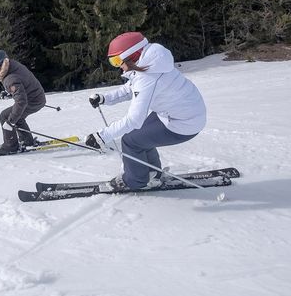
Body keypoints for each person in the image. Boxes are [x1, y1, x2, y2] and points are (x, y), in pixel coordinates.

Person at [85, 32, 206, 191]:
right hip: (181, 113)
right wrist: (105, 98)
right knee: (138, 137)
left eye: (117, 61)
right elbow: (131, 88)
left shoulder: (148, 76)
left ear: (131, 55)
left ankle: (135, 181)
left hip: (184, 123)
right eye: (113, 62)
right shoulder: (152, 64)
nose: (118, 66)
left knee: (130, 141)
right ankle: (152, 174)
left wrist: (102, 136)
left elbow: (134, 120)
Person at [0, 49, 47, 155]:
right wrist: (9, 92)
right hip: (36, 97)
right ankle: (27, 140)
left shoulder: (10, 78)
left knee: (5, 116)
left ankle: (10, 146)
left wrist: (10, 122)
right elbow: (22, 83)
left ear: (0, 65)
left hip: (32, 101)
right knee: (17, 115)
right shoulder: (11, 66)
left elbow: (21, 102)